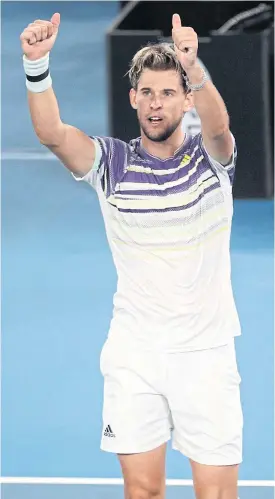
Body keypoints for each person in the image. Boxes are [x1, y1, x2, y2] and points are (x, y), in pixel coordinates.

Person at [20, 11, 243, 499]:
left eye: (168, 93)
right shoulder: (112, 164)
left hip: (205, 356)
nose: (156, 104)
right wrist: (36, 66)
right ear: (133, 99)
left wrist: (196, 68)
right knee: (142, 492)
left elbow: (220, 125)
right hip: (134, 353)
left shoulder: (212, 161)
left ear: (186, 100)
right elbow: (53, 134)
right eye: (147, 93)